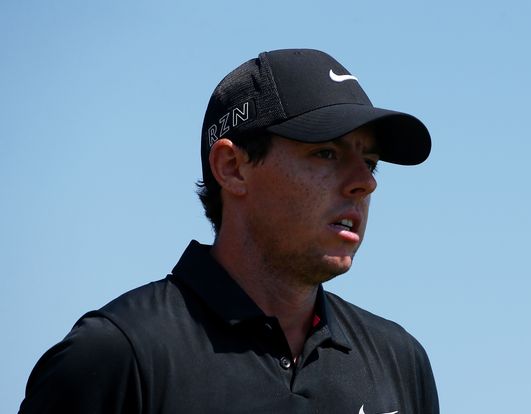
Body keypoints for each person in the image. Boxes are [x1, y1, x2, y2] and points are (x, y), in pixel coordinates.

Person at [19, 48, 439, 413]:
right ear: (232, 168)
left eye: (370, 161)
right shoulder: (117, 356)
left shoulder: (399, 363)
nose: (364, 182)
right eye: (326, 152)